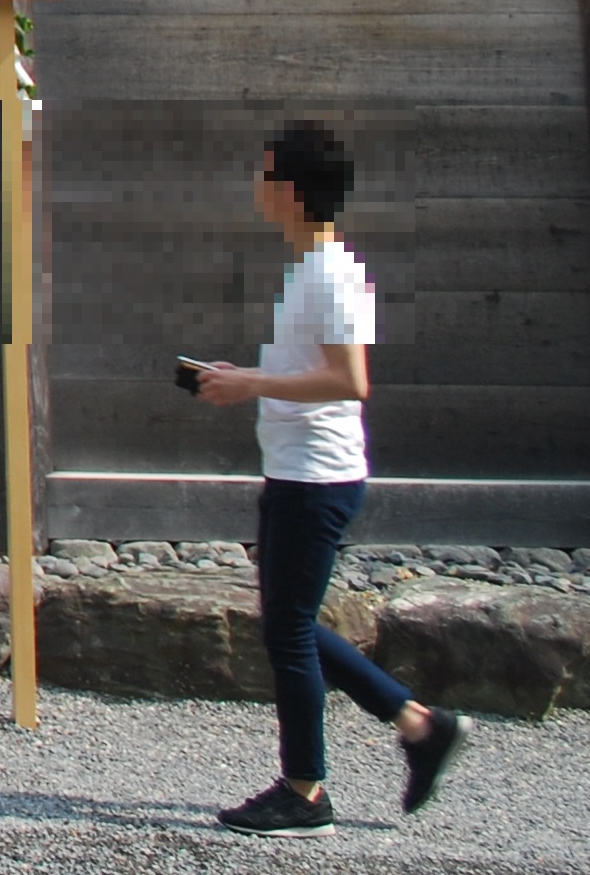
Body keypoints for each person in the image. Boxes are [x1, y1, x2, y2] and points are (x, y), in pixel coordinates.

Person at [187, 121, 465, 833]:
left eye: (264, 171)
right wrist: (244, 378)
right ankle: (419, 726)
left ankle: (305, 790)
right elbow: (309, 373)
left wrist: (250, 385)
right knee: (292, 625)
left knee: (288, 632)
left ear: (288, 190)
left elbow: (350, 380)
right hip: (298, 472)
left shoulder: (333, 274)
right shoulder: (313, 268)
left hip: (318, 478)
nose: (255, 182)